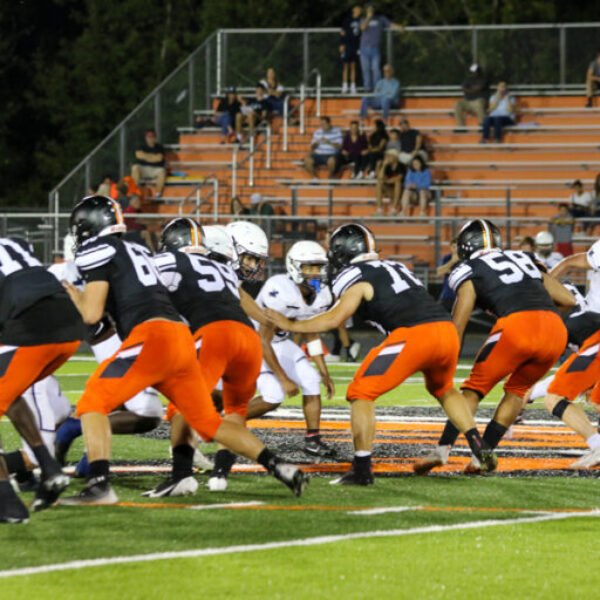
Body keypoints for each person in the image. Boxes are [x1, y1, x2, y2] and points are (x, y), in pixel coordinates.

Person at [60, 196, 307, 504]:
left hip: (162, 335)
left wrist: (72, 292)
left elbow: (92, 314)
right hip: (199, 337)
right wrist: (273, 321)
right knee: (209, 421)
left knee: (92, 402)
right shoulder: (154, 254)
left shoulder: (113, 252)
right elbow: (246, 304)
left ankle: (99, 484)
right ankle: (277, 464)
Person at [266, 223, 497, 485]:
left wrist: (292, 325)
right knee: (444, 389)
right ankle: (478, 444)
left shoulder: (354, 274)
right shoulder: (395, 266)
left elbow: (336, 317)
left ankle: (362, 469)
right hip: (445, 332)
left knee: (360, 392)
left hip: (414, 335)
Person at [413, 219, 575, 475]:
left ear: (466, 244)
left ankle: (442, 450)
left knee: (474, 390)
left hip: (516, 326)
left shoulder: (468, 267)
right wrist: (542, 318)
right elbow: (568, 299)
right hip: (555, 330)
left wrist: (445, 353)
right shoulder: (523, 258)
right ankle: (481, 459)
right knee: (517, 390)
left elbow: (460, 320)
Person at [145, 218, 267, 495]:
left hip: (206, 333)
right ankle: (187, 458)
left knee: (211, 397)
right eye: (247, 258)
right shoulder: (212, 262)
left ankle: (190, 451)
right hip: (202, 332)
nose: (250, 266)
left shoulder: (205, 263)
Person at [0, 237, 86, 522]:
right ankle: (49, 468)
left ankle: (8, 504)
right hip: (69, 324)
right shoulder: (11, 243)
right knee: (11, 391)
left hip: (30, 326)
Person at [245, 241, 337, 459]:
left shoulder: (323, 294)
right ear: (295, 267)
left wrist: (324, 372)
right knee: (273, 396)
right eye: (309, 267)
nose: (315, 273)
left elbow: (310, 332)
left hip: (281, 343)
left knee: (311, 380)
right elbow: (263, 340)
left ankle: (313, 440)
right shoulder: (280, 289)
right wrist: (284, 378)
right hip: (254, 343)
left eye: (318, 267)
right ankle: (221, 423)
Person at [359, 4, 403, 91]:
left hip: (375, 49)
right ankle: (367, 88)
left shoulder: (380, 19)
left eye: (371, 9)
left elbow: (389, 24)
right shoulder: (363, 19)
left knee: (376, 69)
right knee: (366, 69)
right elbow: (362, 28)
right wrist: (368, 18)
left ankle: (377, 87)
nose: (370, 11)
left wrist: (399, 27)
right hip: (364, 48)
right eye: (368, 9)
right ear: (366, 11)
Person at [131, 129, 166, 197]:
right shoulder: (141, 146)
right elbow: (138, 155)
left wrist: (145, 156)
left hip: (156, 169)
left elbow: (159, 158)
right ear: (146, 138)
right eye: (148, 136)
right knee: (135, 167)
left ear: (155, 137)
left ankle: (158, 193)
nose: (150, 138)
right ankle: (134, 192)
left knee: (162, 172)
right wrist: (153, 157)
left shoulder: (159, 147)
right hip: (144, 168)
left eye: (152, 136)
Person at [454, 64, 489, 130]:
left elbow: (479, 87)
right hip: (468, 101)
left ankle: (482, 125)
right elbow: (463, 88)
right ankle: (461, 126)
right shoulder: (468, 79)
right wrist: (473, 89)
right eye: (472, 71)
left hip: (479, 100)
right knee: (457, 104)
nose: (473, 73)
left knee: (479, 103)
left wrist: (469, 89)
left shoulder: (484, 78)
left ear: (479, 71)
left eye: (475, 71)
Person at [374, 148, 405, 216]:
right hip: (390, 190)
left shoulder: (401, 166)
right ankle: (379, 209)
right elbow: (380, 177)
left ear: (395, 157)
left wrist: (387, 180)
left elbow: (398, 178)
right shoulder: (387, 166)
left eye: (389, 156)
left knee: (397, 183)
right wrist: (384, 166)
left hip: (401, 192)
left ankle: (394, 209)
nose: (387, 158)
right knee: (379, 183)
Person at [340, 5, 362, 93]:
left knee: (353, 66)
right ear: (353, 10)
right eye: (357, 9)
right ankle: (345, 85)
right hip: (347, 45)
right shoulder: (347, 19)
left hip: (356, 46)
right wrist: (342, 44)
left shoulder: (361, 20)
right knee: (346, 66)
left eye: (359, 9)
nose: (358, 11)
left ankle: (353, 85)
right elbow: (342, 32)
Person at [437, 238, 459, 312]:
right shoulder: (447, 258)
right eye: (453, 247)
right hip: (447, 295)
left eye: (457, 247)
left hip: (460, 296)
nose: (456, 249)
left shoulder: (465, 259)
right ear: (450, 248)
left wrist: (447, 269)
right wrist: (452, 261)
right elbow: (439, 272)